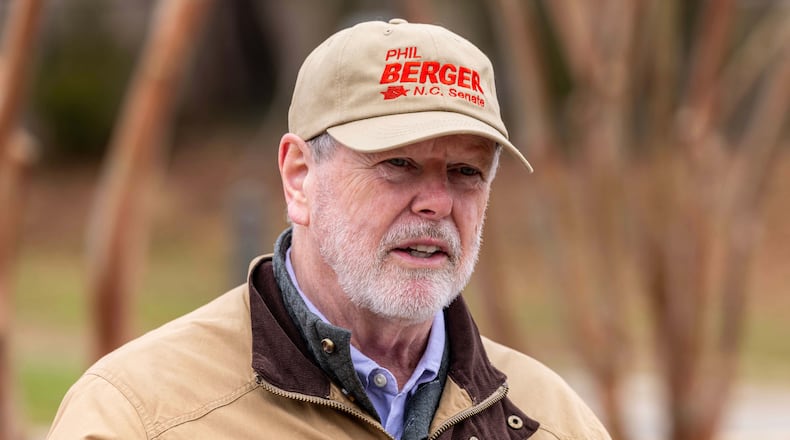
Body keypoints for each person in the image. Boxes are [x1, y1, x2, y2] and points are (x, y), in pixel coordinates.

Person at [48, 18, 611, 440]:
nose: (438, 203)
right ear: (299, 178)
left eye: (466, 172)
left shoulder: (554, 423)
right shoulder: (139, 416)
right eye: (399, 164)